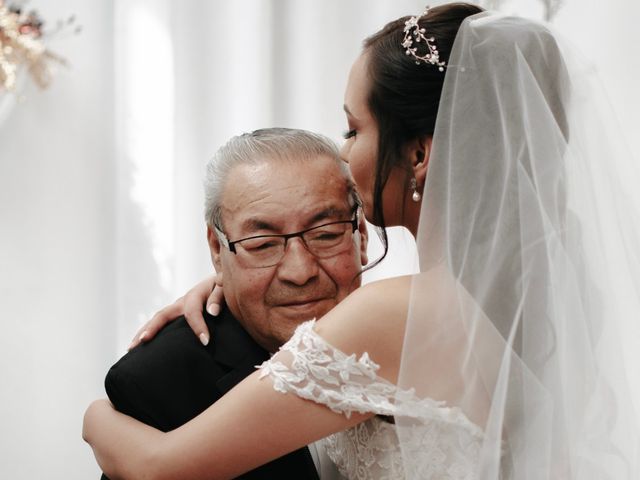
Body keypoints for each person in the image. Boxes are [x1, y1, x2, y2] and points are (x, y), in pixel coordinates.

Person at [84, 3, 640, 479]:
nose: (345, 154)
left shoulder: (390, 316)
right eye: (262, 243)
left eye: (354, 129)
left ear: (419, 154)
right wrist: (234, 274)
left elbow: (159, 467)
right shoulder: (549, 295)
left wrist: (92, 417)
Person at [101, 128, 368, 479]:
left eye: (326, 234)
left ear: (360, 235)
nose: (300, 272)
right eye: (263, 244)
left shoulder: (420, 338)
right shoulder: (157, 382)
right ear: (217, 249)